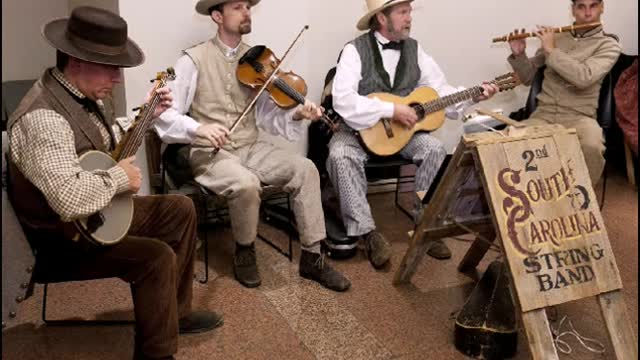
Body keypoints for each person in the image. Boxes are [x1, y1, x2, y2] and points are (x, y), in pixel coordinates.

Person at [7, 7, 221, 360]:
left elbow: (101, 147)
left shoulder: (81, 94)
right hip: (57, 239)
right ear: (77, 61)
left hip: (90, 219)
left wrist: (147, 117)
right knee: (155, 257)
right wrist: (121, 177)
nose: (118, 78)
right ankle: (158, 353)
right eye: (111, 67)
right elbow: (68, 200)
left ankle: (176, 313)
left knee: (179, 209)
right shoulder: (43, 118)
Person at [153, 0, 351, 292]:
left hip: (251, 146)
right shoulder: (192, 60)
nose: (246, 12)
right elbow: (165, 113)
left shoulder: (257, 60)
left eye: (248, 6)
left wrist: (297, 113)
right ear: (218, 16)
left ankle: (312, 256)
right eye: (237, 7)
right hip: (212, 152)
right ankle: (245, 250)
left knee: (305, 169)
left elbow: (268, 117)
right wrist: (199, 128)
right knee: (246, 185)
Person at [327, 0, 498, 266]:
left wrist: (473, 96)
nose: (409, 18)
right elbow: (343, 100)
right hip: (358, 130)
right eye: (403, 12)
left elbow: (439, 92)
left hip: (404, 133)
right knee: (339, 155)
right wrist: (391, 109)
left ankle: (424, 224)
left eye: (409, 11)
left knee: (434, 149)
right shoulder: (354, 50)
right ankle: (367, 232)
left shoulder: (415, 50)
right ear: (382, 18)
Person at [506, 0, 621, 185]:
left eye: (593, 6)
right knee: (506, 139)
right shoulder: (557, 38)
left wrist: (551, 50)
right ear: (573, 10)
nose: (588, 13)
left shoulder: (609, 45)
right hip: (543, 115)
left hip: (579, 117)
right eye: (581, 6)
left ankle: (581, 199)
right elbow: (528, 78)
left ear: (602, 8)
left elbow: (584, 77)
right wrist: (519, 54)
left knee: (592, 146)